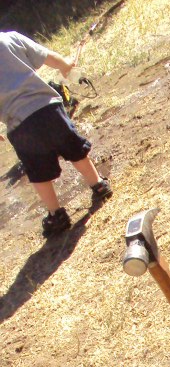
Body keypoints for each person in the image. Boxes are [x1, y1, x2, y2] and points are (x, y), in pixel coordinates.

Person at [0, 30, 112, 236]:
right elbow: (47, 56)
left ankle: (56, 214)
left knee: (38, 172)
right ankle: (98, 185)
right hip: (48, 108)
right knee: (74, 149)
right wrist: (65, 65)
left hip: (20, 125)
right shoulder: (10, 38)